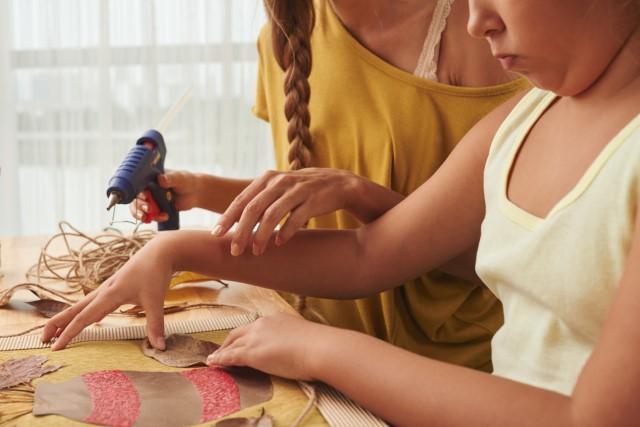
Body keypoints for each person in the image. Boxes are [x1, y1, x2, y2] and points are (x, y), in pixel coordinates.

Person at [45, 0, 640, 424]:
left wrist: (320, 349)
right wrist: (175, 249)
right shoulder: (525, 118)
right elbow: (367, 254)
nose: (476, 19)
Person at [133, 0, 529, 372]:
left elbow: (502, 255)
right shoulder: (287, 32)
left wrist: (357, 192)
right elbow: (307, 195)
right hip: (311, 347)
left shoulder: (477, 31)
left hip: (446, 368)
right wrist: (201, 190)